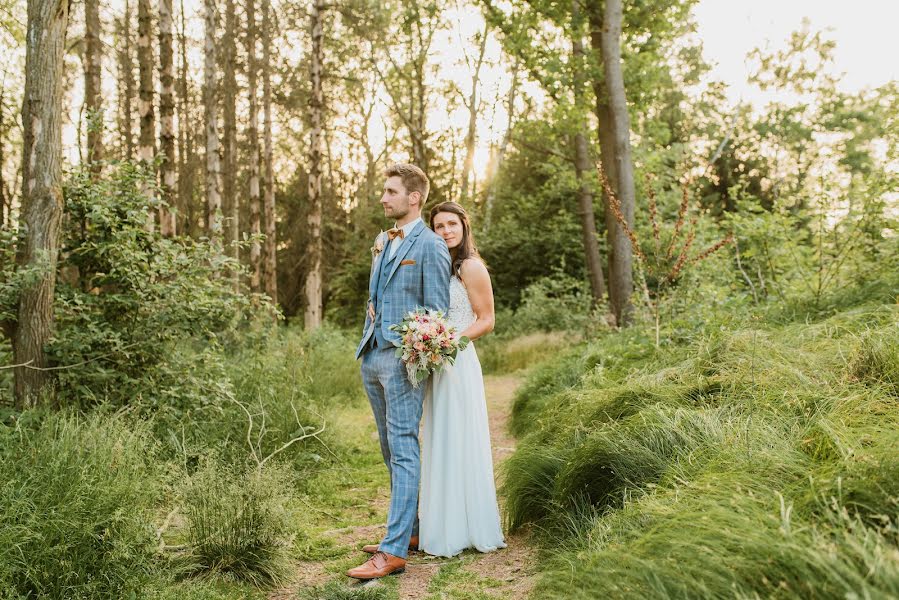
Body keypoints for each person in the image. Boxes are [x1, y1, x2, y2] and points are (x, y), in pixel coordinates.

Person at [347, 164, 451, 580]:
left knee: (405, 448)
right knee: (390, 448)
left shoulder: (430, 245)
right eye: (384, 191)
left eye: (391, 191)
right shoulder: (381, 239)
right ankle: (410, 530)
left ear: (414, 198)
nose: (383, 198)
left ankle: (392, 553)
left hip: (404, 361)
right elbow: (376, 294)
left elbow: (437, 312)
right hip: (371, 355)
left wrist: (412, 351)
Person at [418, 201, 506, 557]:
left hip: (458, 359)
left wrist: (451, 342)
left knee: (461, 436)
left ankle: (469, 524)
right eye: (439, 226)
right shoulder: (439, 266)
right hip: (435, 362)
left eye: (451, 224)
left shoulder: (471, 267)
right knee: (439, 436)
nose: (446, 231)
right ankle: (441, 525)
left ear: (463, 226)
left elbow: (486, 320)